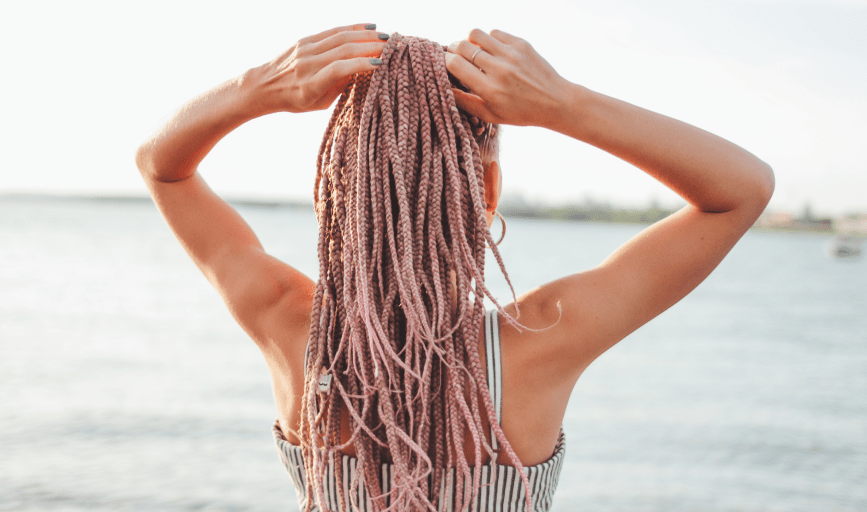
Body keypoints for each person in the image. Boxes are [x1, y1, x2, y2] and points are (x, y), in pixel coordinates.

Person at [136, 23, 774, 512]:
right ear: (487, 188)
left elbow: (161, 166)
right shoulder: (542, 341)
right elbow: (740, 191)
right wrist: (564, 104)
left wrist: (257, 86)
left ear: (334, 187)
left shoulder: (286, 322)